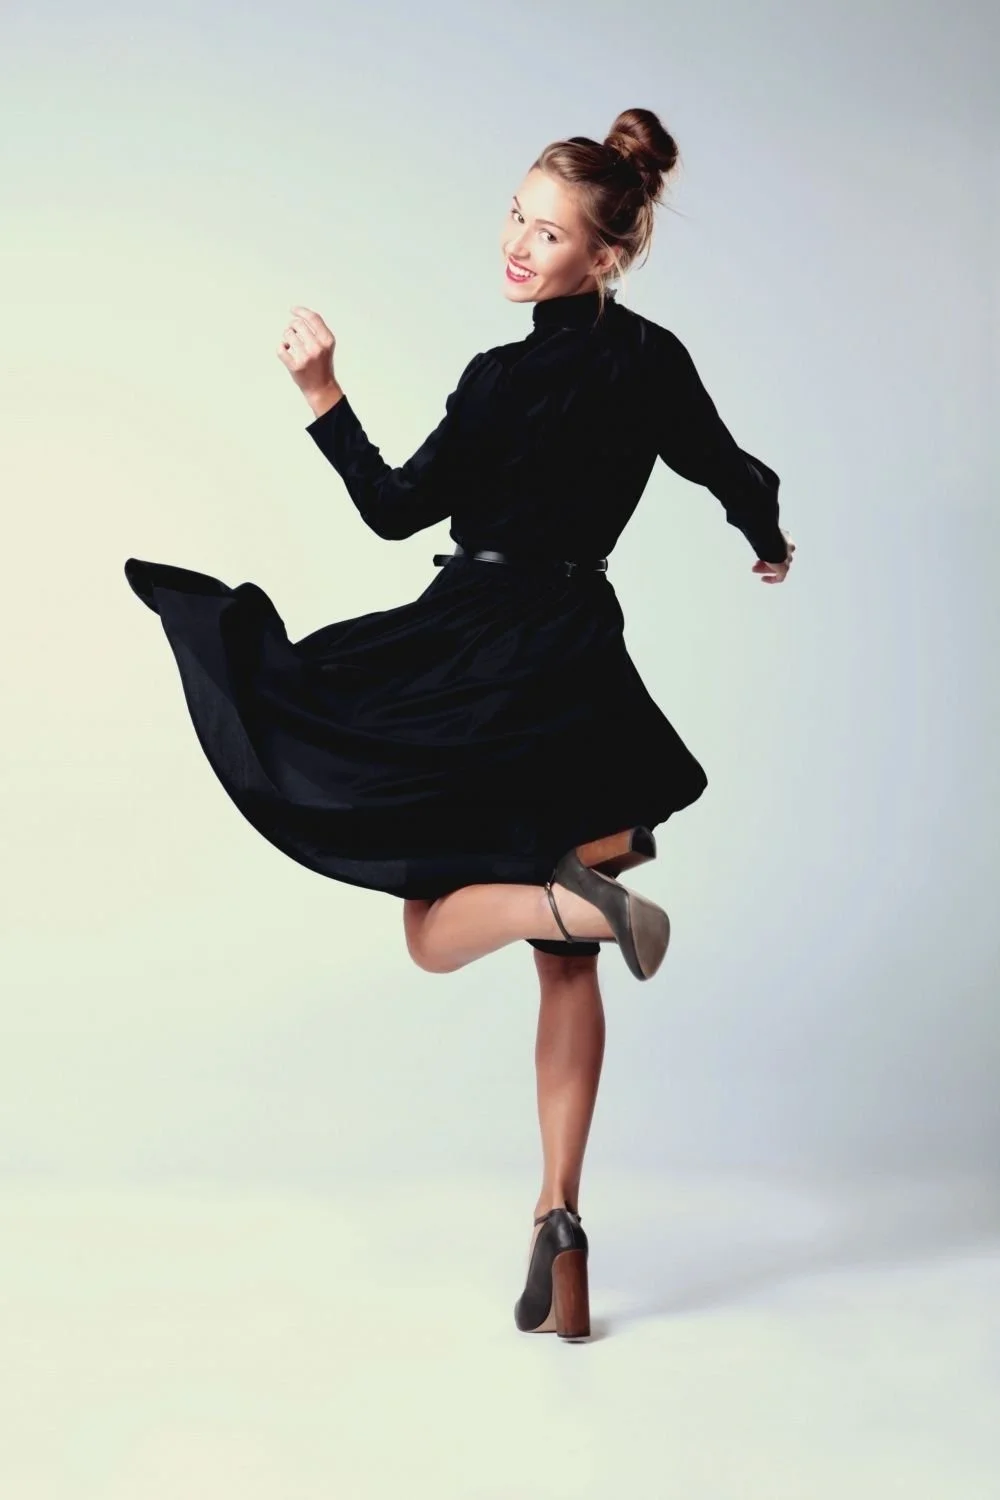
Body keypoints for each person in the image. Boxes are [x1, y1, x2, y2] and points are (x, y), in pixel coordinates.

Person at [124, 106, 794, 1341]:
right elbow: (725, 465)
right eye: (516, 217)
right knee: (564, 973)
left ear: (602, 253)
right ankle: (560, 1221)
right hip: (578, 668)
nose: (517, 245)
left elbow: (392, 510)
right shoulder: (654, 361)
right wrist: (767, 538)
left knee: (433, 935)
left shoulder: (498, 379)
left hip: (477, 657)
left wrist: (322, 394)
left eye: (547, 233)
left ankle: (569, 906)